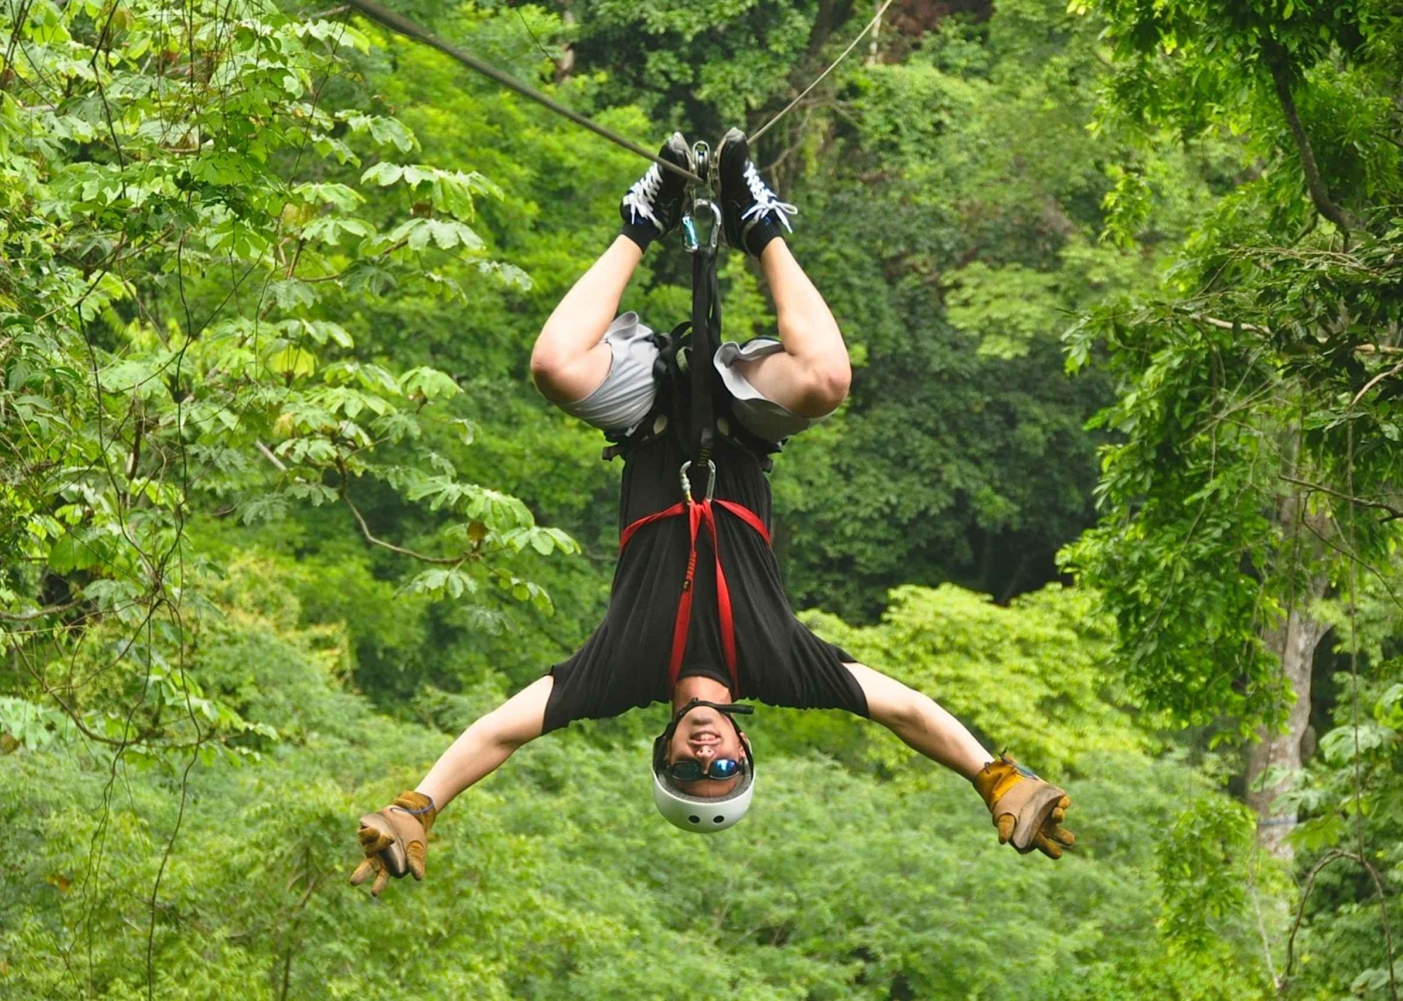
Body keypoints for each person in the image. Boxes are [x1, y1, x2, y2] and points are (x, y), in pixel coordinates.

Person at [350, 130, 1074, 896]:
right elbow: (905, 710)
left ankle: (645, 215)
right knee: (827, 377)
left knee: (553, 366)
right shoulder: (783, 667)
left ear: (662, 748)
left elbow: (500, 731)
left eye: (688, 768)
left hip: (649, 421)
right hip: (742, 421)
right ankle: (758, 222)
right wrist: (993, 778)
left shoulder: (620, 673)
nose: (706, 752)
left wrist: (422, 803)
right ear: (744, 748)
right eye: (722, 768)